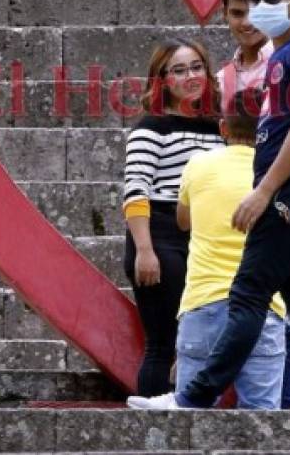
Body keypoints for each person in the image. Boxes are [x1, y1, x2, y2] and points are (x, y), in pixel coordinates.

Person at [127, 0, 290, 410]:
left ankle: (193, 397)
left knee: (249, 294)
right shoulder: (282, 58)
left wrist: (265, 190)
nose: (259, 8)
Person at [217, 0, 290, 409]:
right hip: (237, 194)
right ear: (225, 15)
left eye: (254, 10)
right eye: (236, 13)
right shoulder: (222, 78)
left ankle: (286, 414)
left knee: (285, 312)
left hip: (280, 194)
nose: (245, 21)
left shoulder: (288, 59)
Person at [122, 38, 224, 396]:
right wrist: (144, 250)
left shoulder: (220, 129)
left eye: (197, 67)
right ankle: (152, 429)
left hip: (204, 239)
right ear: (162, 79)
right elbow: (136, 191)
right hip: (160, 235)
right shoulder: (151, 127)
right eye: (179, 70)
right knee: (164, 343)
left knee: (199, 342)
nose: (191, 76)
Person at [173, 89, 287, 408]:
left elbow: (183, 220)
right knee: (262, 420)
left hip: (204, 302)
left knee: (189, 420)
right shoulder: (280, 175)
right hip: (263, 307)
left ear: (223, 127)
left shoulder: (198, 166)